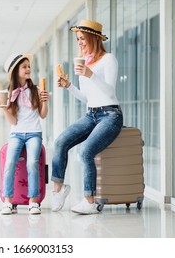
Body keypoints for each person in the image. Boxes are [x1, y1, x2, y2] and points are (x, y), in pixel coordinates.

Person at [51, 20, 124, 215]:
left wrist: (90, 74)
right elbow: (87, 98)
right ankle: (58, 190)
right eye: (78, 39)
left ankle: (89, 201)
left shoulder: (109, 59)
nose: (80, 43)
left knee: (84, 152)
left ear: (94, 38)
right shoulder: (85, 62)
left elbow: (109, 92)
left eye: (82, 38)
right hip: (91, 114)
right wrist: (69, 86)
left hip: (110, 115)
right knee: (60, 142)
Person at [0, 53, 49, 215]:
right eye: (24, 67)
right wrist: (4, 108)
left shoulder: (36, 90)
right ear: (15, 71)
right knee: (10, 163)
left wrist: (45, 102)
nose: (28, 69)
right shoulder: (9, 93)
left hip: (34, 133)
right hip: (16, 134)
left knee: (32, 162)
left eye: (29, 67)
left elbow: (43, 115)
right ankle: (7, 201)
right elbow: (13, 122)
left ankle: (34, 201)